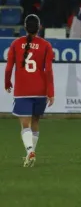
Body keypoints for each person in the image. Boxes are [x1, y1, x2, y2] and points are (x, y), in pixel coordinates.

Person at [4, 14, 54, 167]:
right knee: (35, 122)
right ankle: (29, 156)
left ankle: (30, 151)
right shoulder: (46, 45)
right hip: (40, 90)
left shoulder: (15, 44)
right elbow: (48, 71)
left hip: (22, 90)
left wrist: (7, 82)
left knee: (25, 125)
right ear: (39, 27)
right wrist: (50, 92)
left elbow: (8, 68)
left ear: (25, 27)